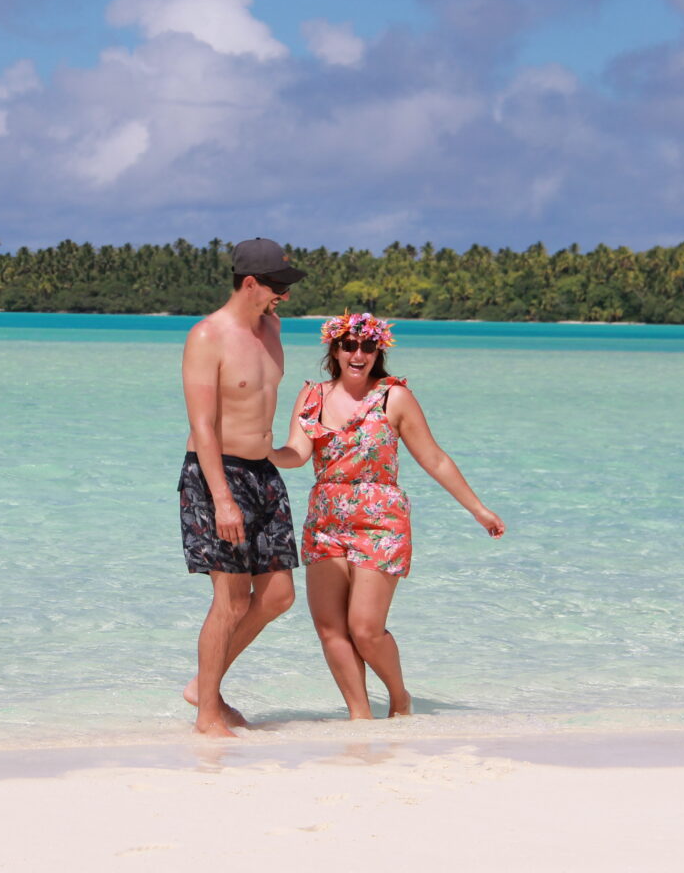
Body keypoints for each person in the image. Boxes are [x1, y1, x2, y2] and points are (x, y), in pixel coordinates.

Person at [271, 312, 505, 720]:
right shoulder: (312, 395)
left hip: (381, 520)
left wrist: (478, 509)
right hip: (325, 519)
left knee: (365, 629)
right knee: (330, 628)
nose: (357, 353)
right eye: (349, 345)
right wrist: (264, 452)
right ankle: (360, 718)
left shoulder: (393, 397)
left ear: (379, 350)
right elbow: (298, 453)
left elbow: (432, 457)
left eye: (367, 346)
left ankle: (399, 698)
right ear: (335, 349)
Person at [178, 237, 307, 737]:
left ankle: (202, 685)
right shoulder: (207, 336)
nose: (284, 297)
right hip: (216, 475)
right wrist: (223, 500)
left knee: (277, 597)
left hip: (264, 474)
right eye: (277, 286)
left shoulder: (272, 328)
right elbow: (204, 425)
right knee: (230, 601)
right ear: (249, 282)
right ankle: (208, 712)